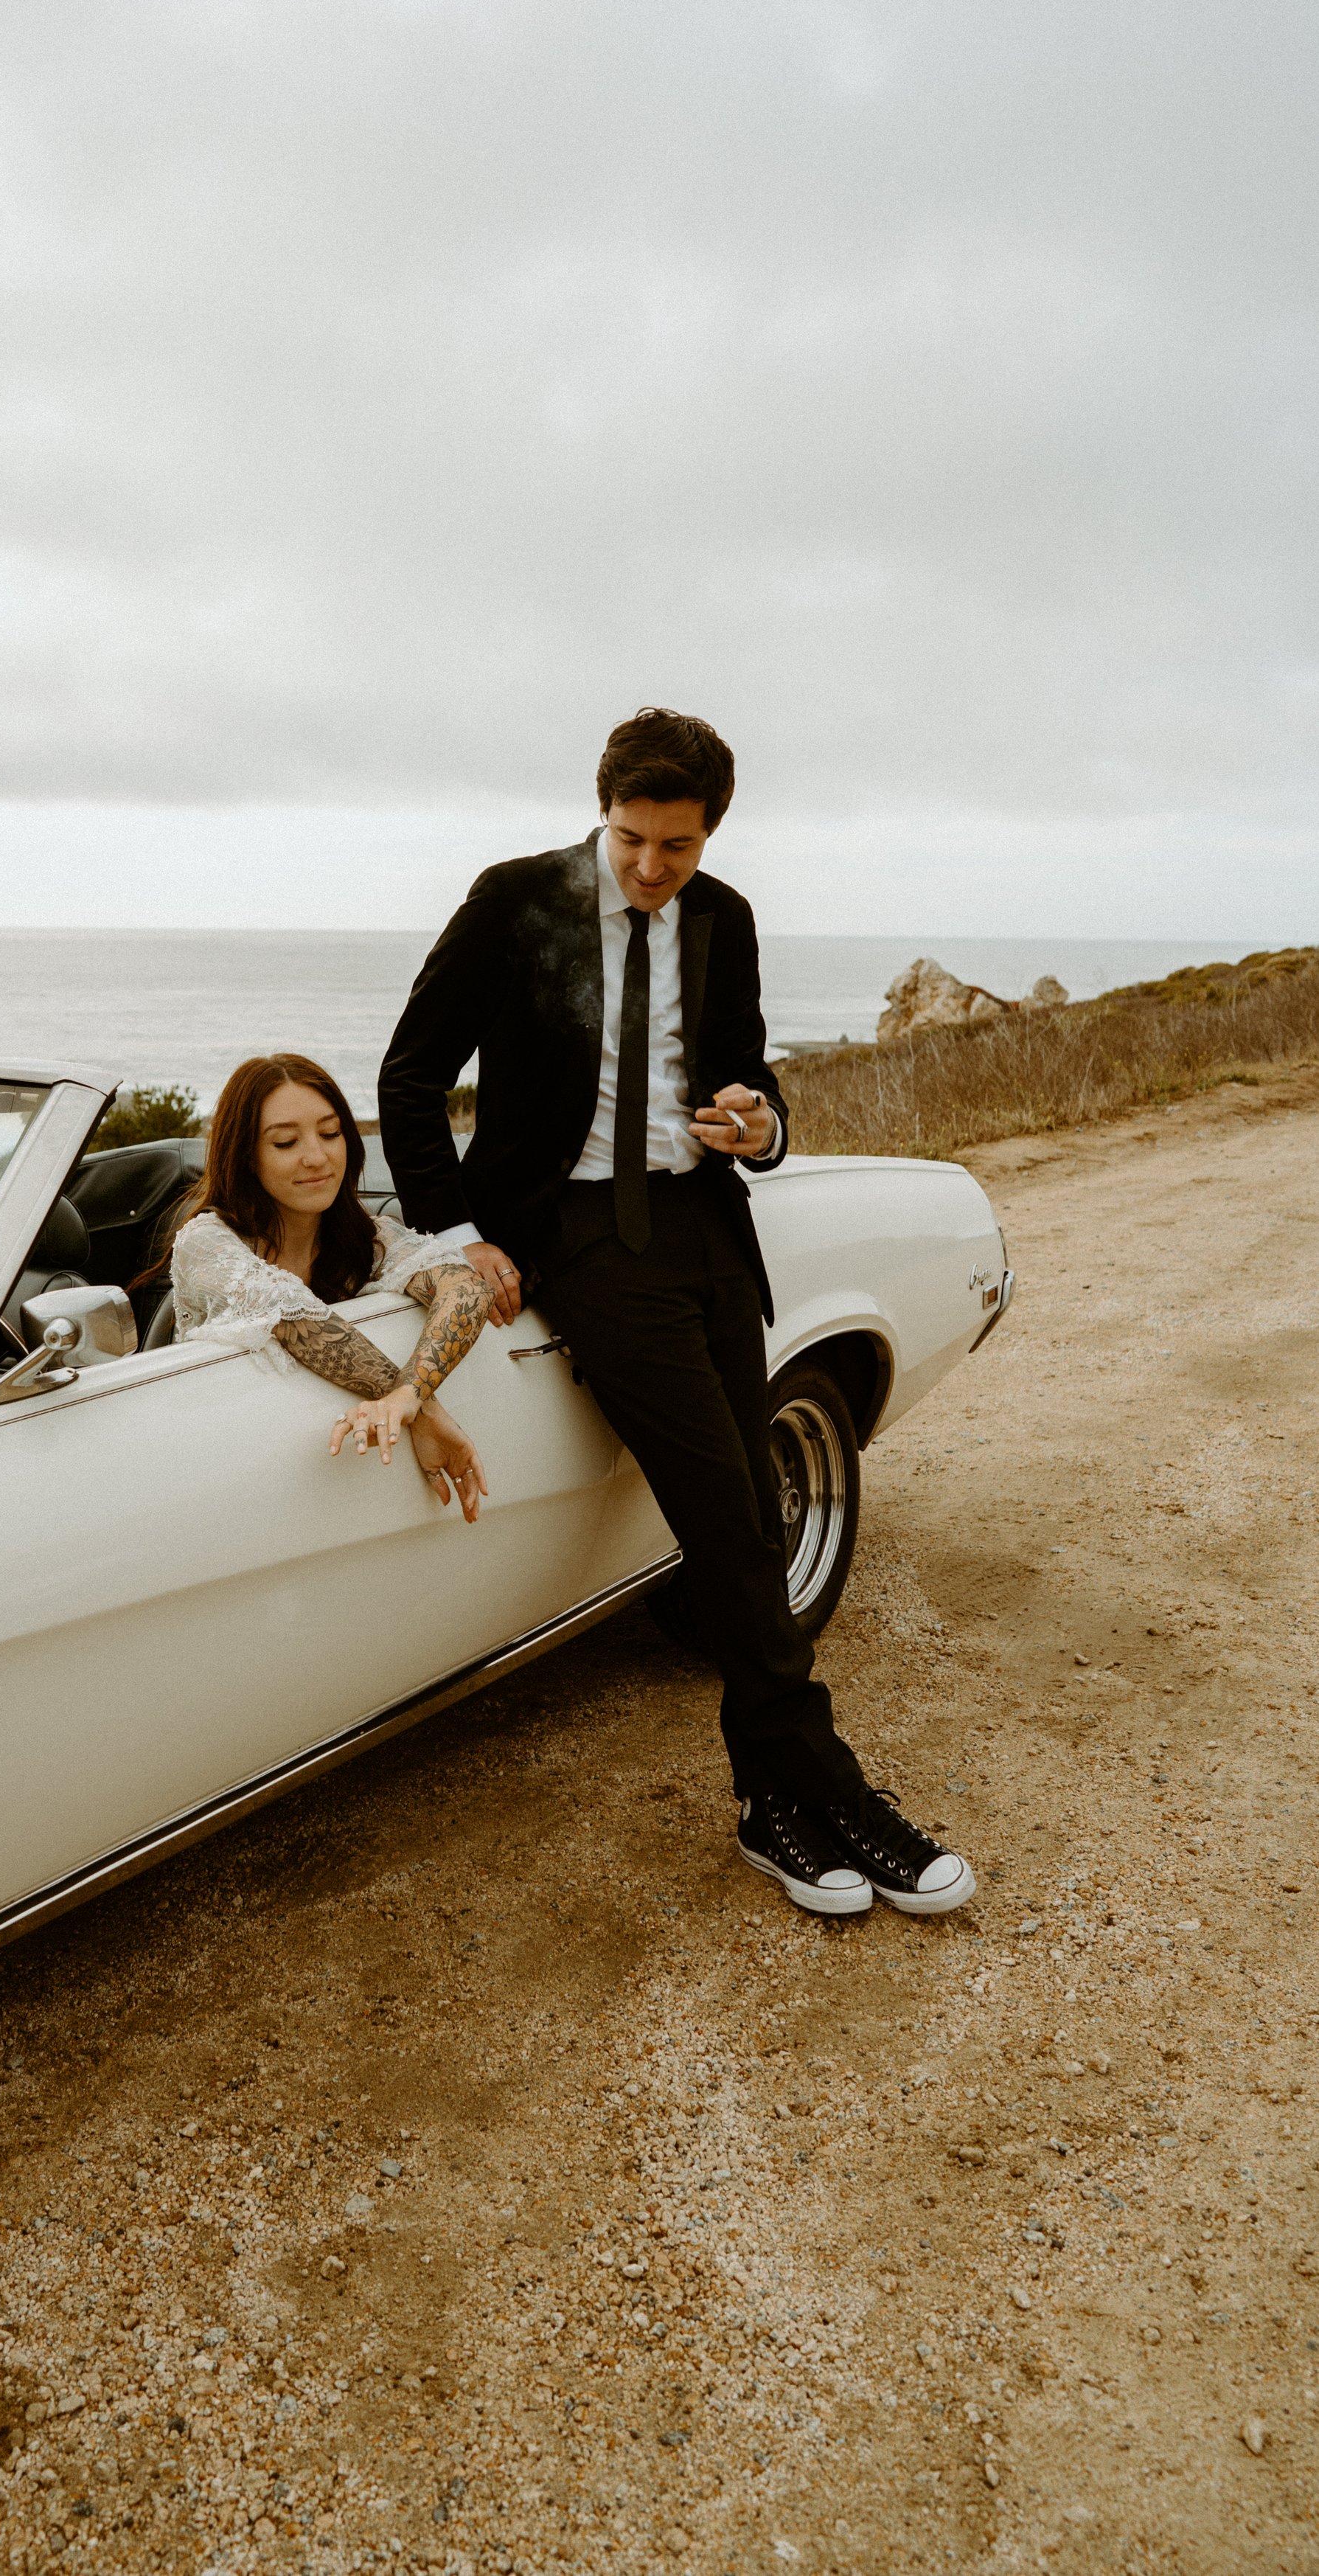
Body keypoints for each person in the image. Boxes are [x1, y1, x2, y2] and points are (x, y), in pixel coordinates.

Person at [377, 706, 975, 1916]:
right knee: (730, 1527)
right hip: (581, 1238)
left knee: (755, 1513)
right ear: (602, 811)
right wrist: (458, 1236)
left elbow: (746, 1079)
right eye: (632, 840)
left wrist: (761, 1127)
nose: (652, 870)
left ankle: (780, 1802)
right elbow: (409, 1074)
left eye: (679, 847)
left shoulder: (725, 919)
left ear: (710, 835)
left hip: (705, 1231)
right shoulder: (515, 903)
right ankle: (827, 1792)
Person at [167, 1053, 491, 1520]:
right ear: (246, 1156)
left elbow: (465, 1288)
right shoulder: (207, 1242)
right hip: (222, 1470)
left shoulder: (370, 1237)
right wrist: (428, 1414)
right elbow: (298, 1320)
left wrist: (409, 1397)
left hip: (344, 1482)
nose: (316, 1158)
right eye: (285, 1142)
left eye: (330, 1133)